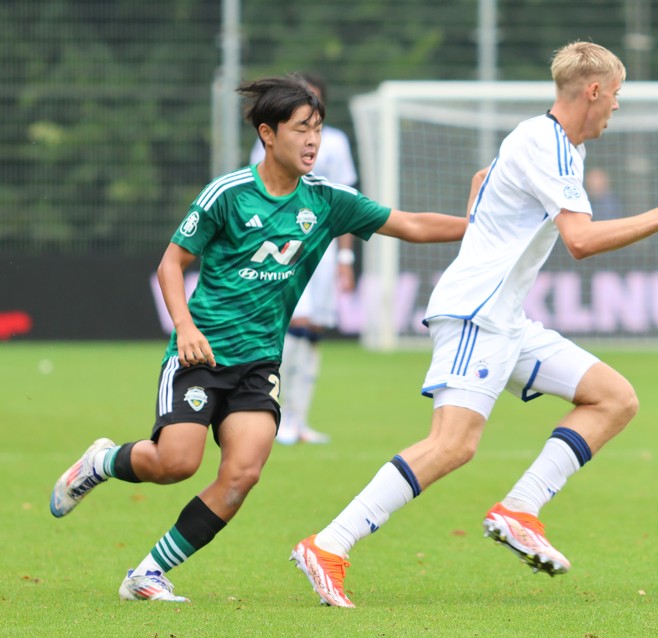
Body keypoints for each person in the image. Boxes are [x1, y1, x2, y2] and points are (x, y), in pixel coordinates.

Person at [289, 41, 658, 608]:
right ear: (593, 91)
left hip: (505, 319)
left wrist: (486, 214)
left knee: (614, 398)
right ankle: (329, 544)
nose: (617, 107)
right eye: (616, 95)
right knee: (452, 445)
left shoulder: (549, 143)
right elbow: (581, 241)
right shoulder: (546, 143)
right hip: (477, 313)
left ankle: (520, 508)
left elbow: (485, 178)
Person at [49, 73, 471, 603]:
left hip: (258, 364)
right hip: (200, 354)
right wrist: (184, 327)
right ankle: (102, 462)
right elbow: (172, 264)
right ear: (268, 134)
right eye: (301, 129)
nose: (313, 140)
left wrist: (478, 223)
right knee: (176, 463)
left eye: (317, 128)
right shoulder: (227, 194)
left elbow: (408, 224)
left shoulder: (328, 200)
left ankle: (146, 574)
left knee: (241, 475)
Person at [248, 72, 357, 445]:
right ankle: (275, 415)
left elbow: (346, 203)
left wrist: (346, 259)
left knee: (312, 332)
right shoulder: (273, 139)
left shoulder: (336, 143)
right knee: (295, 324)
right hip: (286, 249)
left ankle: (299, 419)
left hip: (324, 252)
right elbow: (260, 193)